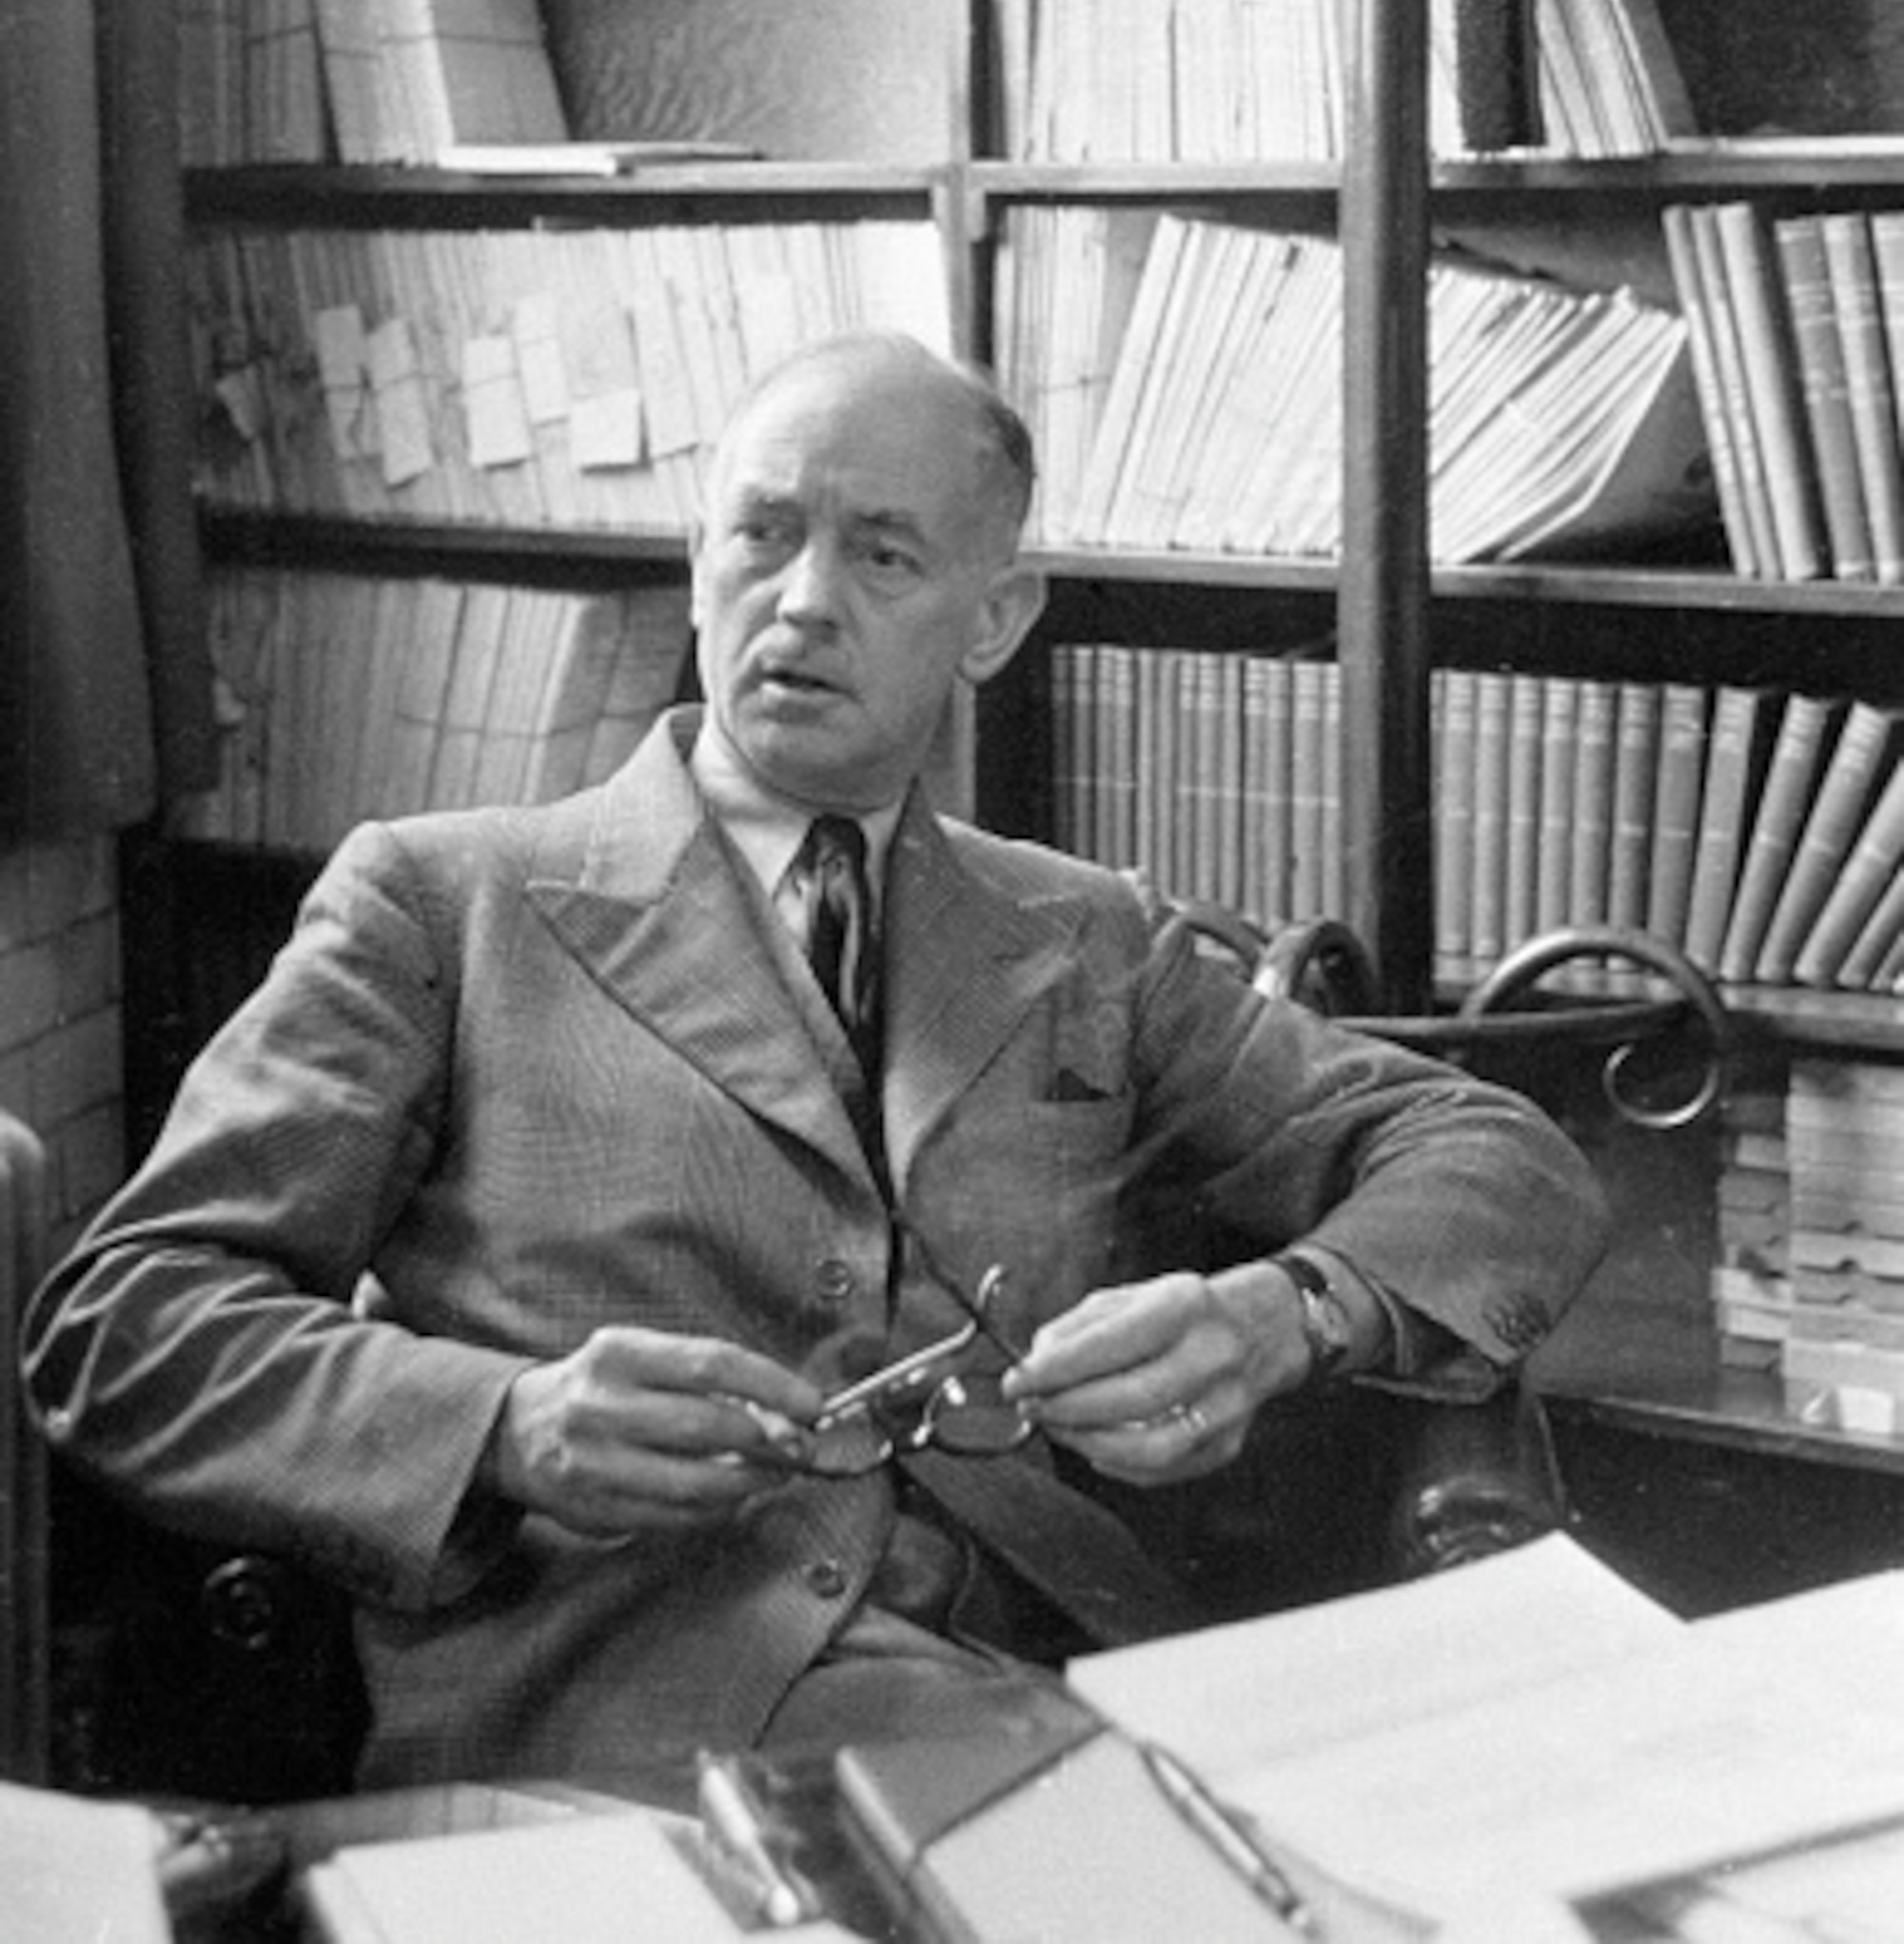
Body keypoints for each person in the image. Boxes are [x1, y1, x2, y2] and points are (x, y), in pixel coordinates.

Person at [25, 332, 1607, 1799]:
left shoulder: (1081, 935)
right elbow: (123, 1327)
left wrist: (1284, 1316)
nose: (799, 599)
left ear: (992, 618)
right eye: (761, 534)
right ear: (696, 560)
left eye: (883, 554)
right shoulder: (447, 904)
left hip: (1037, 1670)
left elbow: (1491, 1154)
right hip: (619, 1719)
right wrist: (502, 1421)